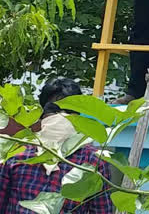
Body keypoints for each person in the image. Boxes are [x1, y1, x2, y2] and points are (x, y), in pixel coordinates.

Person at [0, 78, 114, 213]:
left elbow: (102, 210)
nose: (61, 117)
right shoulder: (16, 154)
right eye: (54, 110)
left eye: (68, 111)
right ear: (42, 113)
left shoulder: (93, 162)